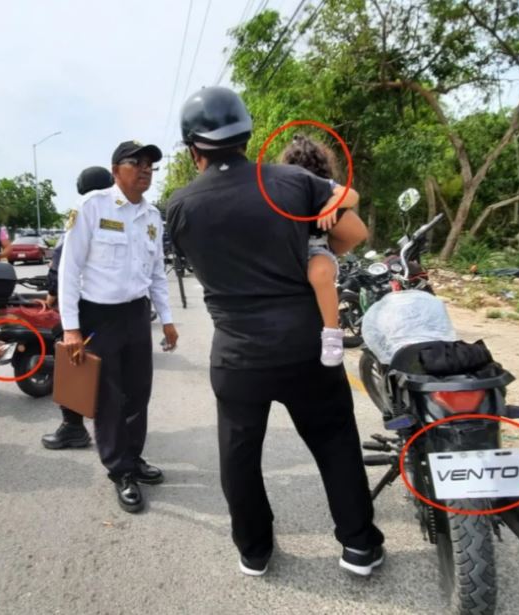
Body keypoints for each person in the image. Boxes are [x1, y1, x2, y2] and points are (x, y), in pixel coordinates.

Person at [165, 87, 384, 577]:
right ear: (245, 132)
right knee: (334, 442)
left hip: (237, 354)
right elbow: (353, 235)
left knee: (239, 454)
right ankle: (359, 546)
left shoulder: (178, 206)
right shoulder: (294, 182)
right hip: (306, 346)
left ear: (192, 147)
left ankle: (254, 551)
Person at [58, 141, 179, 514]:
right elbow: (69, 269)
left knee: (138, 392)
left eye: (150, 166)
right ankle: (119, 470)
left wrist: (168, 319)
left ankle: (133, 457)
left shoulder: (152, 217)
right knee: (108, 398)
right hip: (99, 315)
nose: (145, 170)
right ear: (115, 169)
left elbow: (157, 272)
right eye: (136, 163)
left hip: (136, 315)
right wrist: (71, 328)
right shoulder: (92, 207)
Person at [41, 165, 115, 450]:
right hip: (118, 310)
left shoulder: (81, 213)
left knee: (72, 364)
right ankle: (116, 429)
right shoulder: (119, 212)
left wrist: (50, 299)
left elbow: (60, 267)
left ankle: (73, 428)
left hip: (85, 309)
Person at [279, 133, 361, 366]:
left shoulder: (324, 187)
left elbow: (351, 194)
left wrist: (332, 204)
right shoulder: (281, 188)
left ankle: (332, 334)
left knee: (320, 272)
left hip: (317, 251)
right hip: (288, 251)